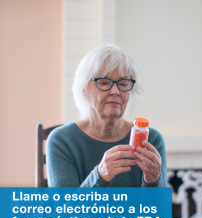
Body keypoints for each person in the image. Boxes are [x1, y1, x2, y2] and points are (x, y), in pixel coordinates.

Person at [47, 45, 167, 187]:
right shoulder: (62, 141)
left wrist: (153, 181)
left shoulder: (150, 139)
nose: (115, 91)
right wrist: (101, 175)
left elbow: (156, 209)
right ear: (84, 88)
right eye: (104, 82)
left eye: (123, 83)